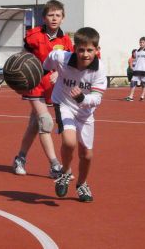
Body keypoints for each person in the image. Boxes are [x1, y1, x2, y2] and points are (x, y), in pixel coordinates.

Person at [43, 27, 107, 202]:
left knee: (86, 154)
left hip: (85, 112)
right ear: (74, 48)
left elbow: (97, 98)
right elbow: (49, 60)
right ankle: (65, 172)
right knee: (69, 142)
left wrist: (82, 98)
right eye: (81, 50)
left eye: (89, 50)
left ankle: (82, 183)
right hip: (64, 104)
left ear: (97, 50)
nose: (85, 54)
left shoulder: (99, 69)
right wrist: (45, 71)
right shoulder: (62, 57)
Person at [13, 0, 73, 178]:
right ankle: (55, 165)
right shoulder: (33, 36)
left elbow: (70, 66)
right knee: (45, 122)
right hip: (35, 85)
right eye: (50, 15)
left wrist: (60, 74)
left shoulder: (66, 40)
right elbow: (23, 60)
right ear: (44, 17)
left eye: (58, 15)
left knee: (34, 124)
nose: (54, 18)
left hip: (54, 88)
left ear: (63, 18)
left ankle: (20, 158)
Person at [125, 37, 145, 101]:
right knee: (133, 82)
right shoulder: (137, 52)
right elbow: (136, 61)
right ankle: (131, 96)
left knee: (144, 83)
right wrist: (133, 68)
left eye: (143, 42)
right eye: (140, 42)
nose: (141, 43)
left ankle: (142, 96)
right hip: (137, 70)